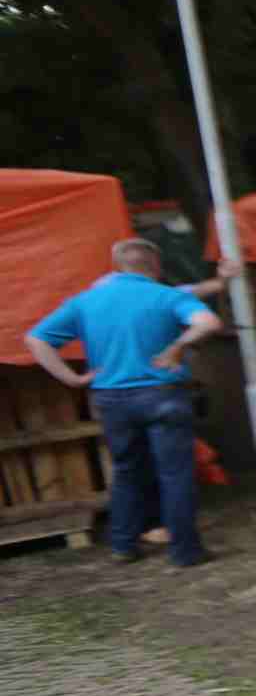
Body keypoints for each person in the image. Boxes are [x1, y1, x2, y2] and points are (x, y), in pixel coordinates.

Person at [26, 239, 226, 566]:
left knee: (127, 471)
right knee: (175, 474)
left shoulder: (85, 301)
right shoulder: (167, 295)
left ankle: (122, 545)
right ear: (156, 266)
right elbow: (208, 323)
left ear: (117, 266)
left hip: (111, 400)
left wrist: (71, 378)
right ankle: (185, 552)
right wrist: (178, 346)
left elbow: (36, 339)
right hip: (162, 395)